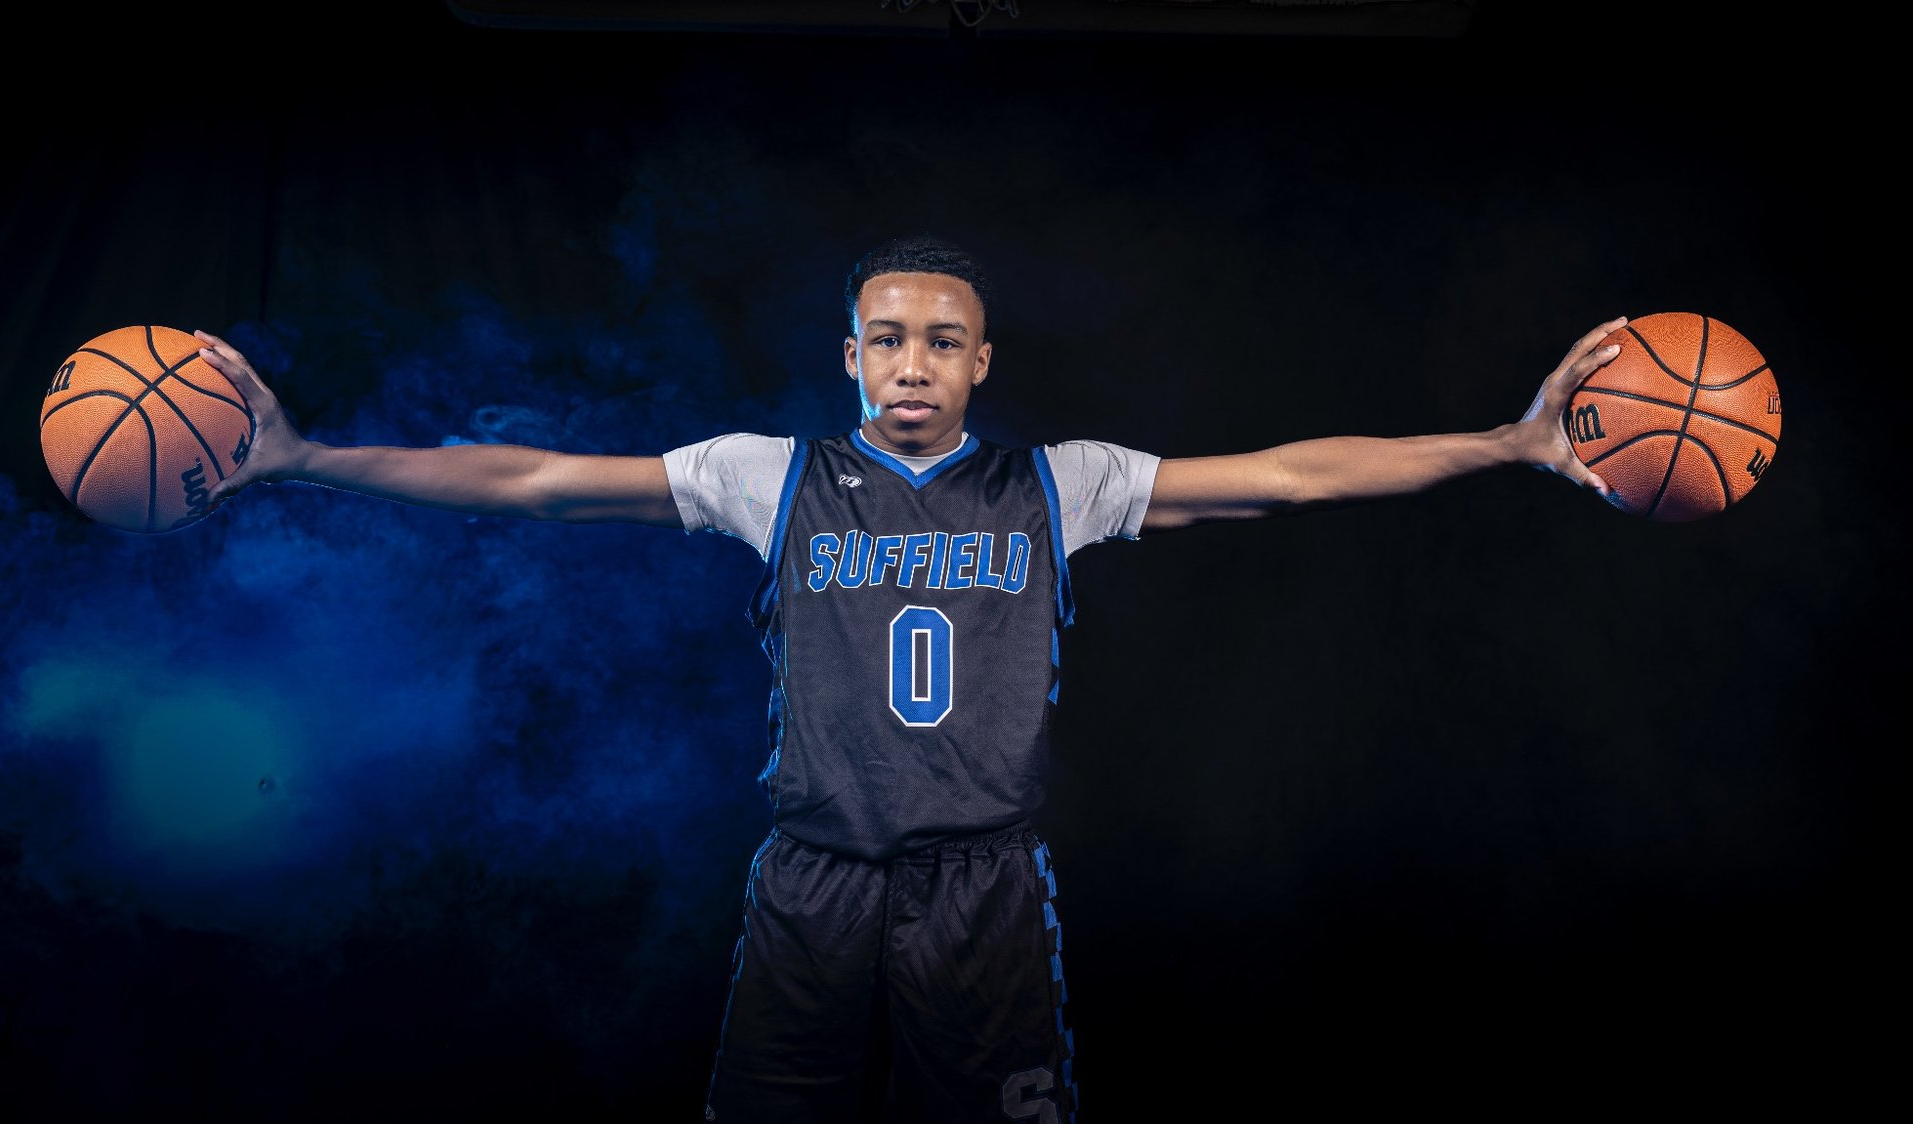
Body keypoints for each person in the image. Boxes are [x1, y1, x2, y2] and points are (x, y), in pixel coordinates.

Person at [197, 234, 1624, 1124]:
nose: (913, 364)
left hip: (985, 890)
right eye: (888, 338)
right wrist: (309, 456)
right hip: (812, 880)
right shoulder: (774, 478)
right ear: (852, 354)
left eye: (943, 340)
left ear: (982, 360)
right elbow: (538, 478)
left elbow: (1294, 477)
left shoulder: (1060, 485)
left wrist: (1505, 443)